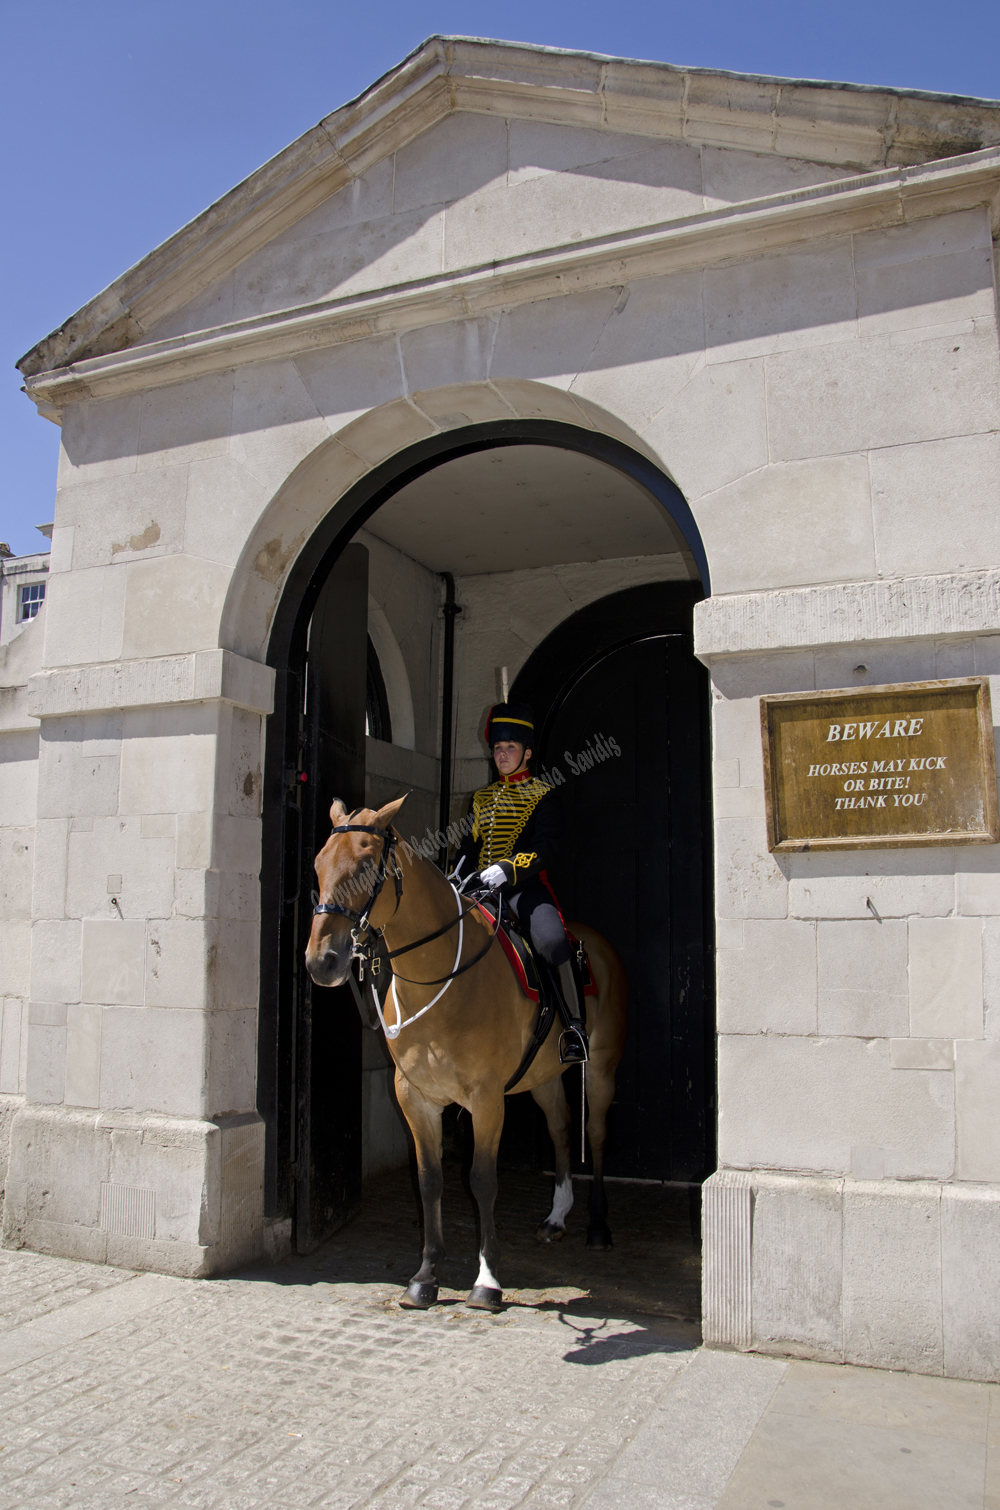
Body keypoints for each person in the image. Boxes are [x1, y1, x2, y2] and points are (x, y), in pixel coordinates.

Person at [454, 701, 588, 1064]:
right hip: (479, 891)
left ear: (527, 753)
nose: (502, 754)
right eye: (498, 748)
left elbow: (546, 847)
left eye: (510, 747)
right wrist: (457, 873)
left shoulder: (544, 794)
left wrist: (507, 869)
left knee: (552, 941)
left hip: (523, 890)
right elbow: (468, 846)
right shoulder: (480, 799)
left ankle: (575, 1028)